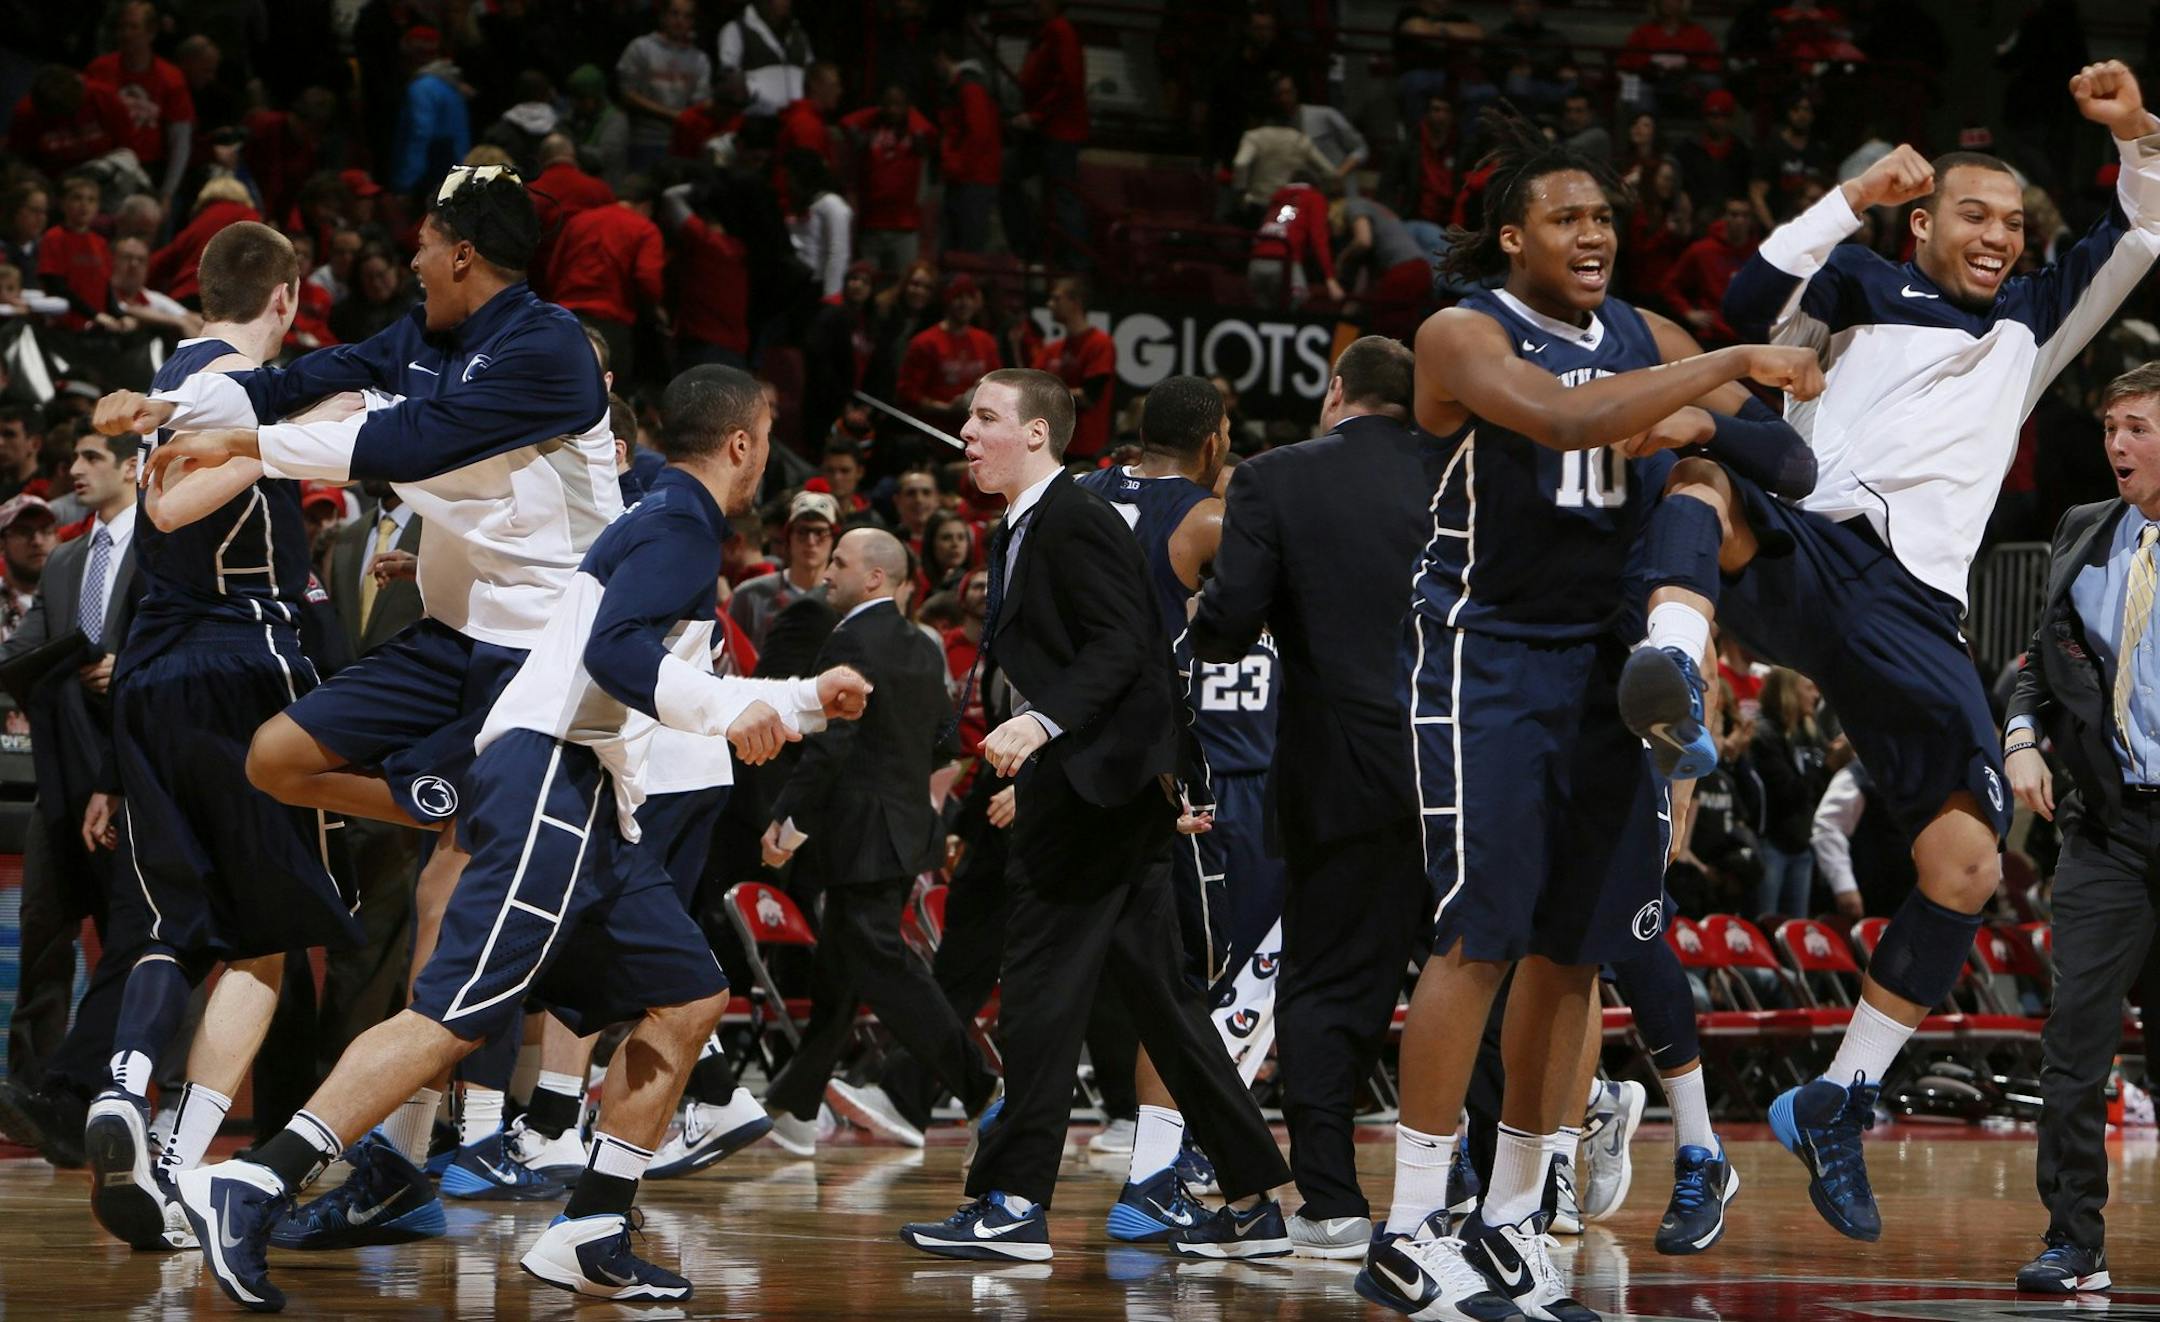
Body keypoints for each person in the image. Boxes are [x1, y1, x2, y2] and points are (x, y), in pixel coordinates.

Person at [172, 364, 868, 1309]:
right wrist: (747, 711)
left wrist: (788, 702)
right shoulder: (680, 524)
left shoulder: (651, 501)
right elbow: (616, 654)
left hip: (594, 794)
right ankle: (253, 1185)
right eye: (769, 430)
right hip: (551, 775)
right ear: (743, 444)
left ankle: (589, 1227)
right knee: (454, 1015)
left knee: (690, 997)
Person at [1617, 60, 2160, 1248]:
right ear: (1923, 221)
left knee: (1967, 863)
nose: (1999, 237)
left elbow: (2139, 233)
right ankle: (1671, 658)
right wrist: (1851, 195)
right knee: (1706, 457)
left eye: (2015, 223)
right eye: (1974, 214)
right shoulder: (1858, 274)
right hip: (1815, 538)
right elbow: (1757, 294)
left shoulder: (2033, 321)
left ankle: (1840, 1097)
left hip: (1917, 606)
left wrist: (2135, 134)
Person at [1361, 105, 1821, 1320]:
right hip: (1488, 657)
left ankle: (1517, 1213)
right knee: (1479, 938)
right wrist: (1718, 372)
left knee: (1575, 945)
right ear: (1513, 236)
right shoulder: (1461, 332)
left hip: (1609, 665)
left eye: (1606, 216)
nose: (1594, 233)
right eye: (1567, 217)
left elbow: (1787, 461)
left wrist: (1708, 438)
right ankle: (1409, 1223)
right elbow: (1566, 418)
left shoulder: (1646, 331)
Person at [898, 369, 1296, 1262]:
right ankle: (1255, 1199)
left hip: (1094, 788)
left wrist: (1041, 723)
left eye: (986, 418)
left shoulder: (1072, 519)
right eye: (967, 416)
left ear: (1038, 436)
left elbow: (1129, 646)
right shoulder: (1025, 523)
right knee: (1168, 1007)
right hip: (1110, 785)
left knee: (1039, 993)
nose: (965, 431)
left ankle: (1012, 1202)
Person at [77, 221, 369, 1254]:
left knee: (173, 915)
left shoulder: (179, 366)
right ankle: (185, 1153)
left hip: (151, 673)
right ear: (286, 295)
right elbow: (168, 505)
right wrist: (277, 437)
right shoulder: (245, 385)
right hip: (241, 660)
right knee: (268, 933)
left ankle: (128, 1094)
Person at [1190, 336, 1433, 1256]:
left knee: (1330, 986)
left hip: (1342, 771)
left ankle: (1332, 1204)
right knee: (1474, 981)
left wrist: (1205, 615)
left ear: (1338, 394)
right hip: (1466, 770)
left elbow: (1230, 620)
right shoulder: (1465, 471)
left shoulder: (1276, 476)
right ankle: (1502, 1199)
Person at [1075, 375, 1287, 1241]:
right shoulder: (1217, 537)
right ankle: (1161, 1164)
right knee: (1201, 987)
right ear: (1215, 445)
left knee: (1168, 983)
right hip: (1212, 784)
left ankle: (1166, 1155)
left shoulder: (1089, 499)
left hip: (1113, 765)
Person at [757, 526, 997, 1149]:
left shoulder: (849, 639)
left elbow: (831, 744)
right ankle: (794, 1105)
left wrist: (788, 821)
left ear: (874, 578)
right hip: (906, 830)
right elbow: (946, 741)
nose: (827, 571)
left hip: (863, 836)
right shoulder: (922, 645)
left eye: (839, 562)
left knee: (883, 967)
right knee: (841, 972)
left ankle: (982, 1089)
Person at [2002, 361, 2160, 1295]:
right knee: (2073, 1043)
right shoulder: (2084, 531)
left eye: (2138, 426)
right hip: (2105, 825)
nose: (2117, 445)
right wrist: (2022, 737)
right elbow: (2036, 661)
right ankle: (2073, 1241)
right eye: (2110, 428)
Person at [0, 462, 134, 1174]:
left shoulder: (165, 545)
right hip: (60, 773)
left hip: (135, 774)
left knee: (131, 942)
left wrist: (128, 664)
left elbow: (180, 638)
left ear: (133, 467)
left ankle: (129, 1094)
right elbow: (28, 651)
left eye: (88, 455)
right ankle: (33, 1095)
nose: (75, 469)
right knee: (44, 931)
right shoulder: (65, 562)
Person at [548, 176, 665, 384]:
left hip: (565, 319)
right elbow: (649, 281)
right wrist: (654, 310)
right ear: (647, 206)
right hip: (611, 325)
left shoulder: (578, 221)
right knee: (609, 397)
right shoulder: (645, 229)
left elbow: (553, 270)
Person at [1003, 0, 1089, 266]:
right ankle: (1030, 247)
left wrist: (1038, 116)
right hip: (1045, 131)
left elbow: (1070, 81)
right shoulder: (1044, 33)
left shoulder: (1060, 32)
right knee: (1009, 176)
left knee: (1063, 197)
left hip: (1058, 132)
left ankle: (1077, 265)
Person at [86, 0, 196, 204]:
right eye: (122, 27)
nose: (126, 34)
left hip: (149, 171)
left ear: (151, 32)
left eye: (133, 27)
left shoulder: (170, 78)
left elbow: (179, 140)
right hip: (102, 167)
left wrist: (167, 193)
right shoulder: (99, 70)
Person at [1751, 667, 1835, 917]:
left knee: (1797, 932)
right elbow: (1786, 793)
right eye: (1808, 688)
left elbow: (1819, 790)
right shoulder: (1764, 734)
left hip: (1802, 845)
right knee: (1767, 926)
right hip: (1772, 843)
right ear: (1788, 691)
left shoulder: (1809, 733)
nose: (1815, 695)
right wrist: (1829, 765)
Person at [841, 86, 936, 275]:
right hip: (871, 226)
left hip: (904, 228)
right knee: (865, 282)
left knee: (903, 283)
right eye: (888, 104)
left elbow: (930, 132)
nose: (892, 110)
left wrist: (912, 113)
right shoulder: (870, 131)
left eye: (898, 105)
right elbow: (845, 122)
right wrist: (877, 112)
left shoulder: (915, 133)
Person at [730, 490, 839, 651]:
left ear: (832, 539)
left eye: (820, 532)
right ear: (789, 538)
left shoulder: (842, 598)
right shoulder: (750, 596)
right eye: (802, 532)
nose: (811, 541)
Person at [898, 275, 1000, 436]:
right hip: (935, 432)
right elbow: (908, 393)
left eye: (969, 297)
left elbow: (998, 384)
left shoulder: (985, 342)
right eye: (958, 297)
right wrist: (946, 409)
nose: (964, 303)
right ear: (946, 301)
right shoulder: (925, 342)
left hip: (977, 434)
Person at [617, 0, 711, 172]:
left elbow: (700, 101)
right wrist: (671, 114)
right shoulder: (641, 48)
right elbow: (627, 95)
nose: (680, 21)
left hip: (681, 143)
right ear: (663, 16)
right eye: (674, 14)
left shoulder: (699, 59)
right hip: (644, 140)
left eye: (687, 16)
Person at [1032, 277, 1116, 463]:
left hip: (1085, 448)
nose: (1049, 304)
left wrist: (1047, 395)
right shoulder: (1052, 350)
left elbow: (1089, 396)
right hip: (1053, 445)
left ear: (1075, 302)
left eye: (1056, 299)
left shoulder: (1100, 344)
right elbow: (1029, 386)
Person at [935, 35, 1002, 255]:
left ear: (943, 58)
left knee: (966, 250)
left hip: (972, 180)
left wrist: (957, 165)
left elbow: (978, 135)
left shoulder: (969, 88)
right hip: (965, 178)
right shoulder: (964, 86)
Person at [720, 0, 815, 118]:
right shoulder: (736, 30)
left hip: (798, 121)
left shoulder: (799, 34)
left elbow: (811, 75)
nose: (786, 2)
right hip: (755, 122)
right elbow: (729, 80)